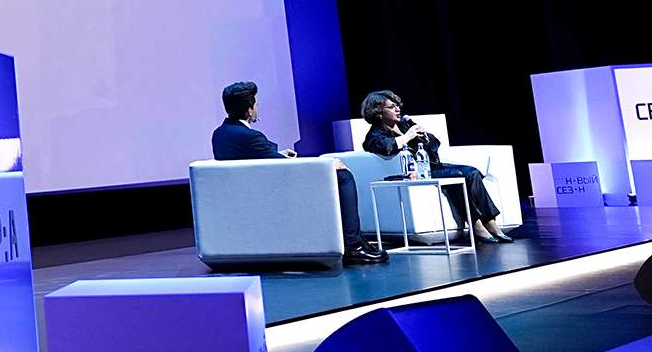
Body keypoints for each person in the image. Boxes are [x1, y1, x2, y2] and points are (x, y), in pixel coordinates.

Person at [211, 81, 387, 265]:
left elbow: (251, 159)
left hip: (251, 191)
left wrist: (279, 155)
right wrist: (327, 165)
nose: (257, 108)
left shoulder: (220, 134)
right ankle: (353, 245)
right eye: (256, 104)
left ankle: (356, 239)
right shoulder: (250, 136)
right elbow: (280, 165)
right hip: (271, 192)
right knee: (343, 176)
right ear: (249, 110)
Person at [359, 90, 512, 243]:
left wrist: (425, 136)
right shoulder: (375, 134)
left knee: (472, 172)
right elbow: (384, 147)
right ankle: (476, 225)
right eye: (391, 107)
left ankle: (490, 223)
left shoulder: (404, 125)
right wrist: (407, 137)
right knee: (457, 176)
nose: (398, 109)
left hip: (433, 166)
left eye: (397, 105)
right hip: (416, 173)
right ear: (379, 113)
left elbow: (435, 144)